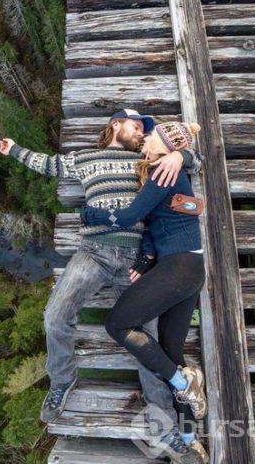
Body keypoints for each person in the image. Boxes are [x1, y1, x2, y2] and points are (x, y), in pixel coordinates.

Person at [0, 109, 203, 432]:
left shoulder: (148, 160)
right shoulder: (85, 158)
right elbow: (49, 164)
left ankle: (165, 415)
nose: (139, 134)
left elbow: (195, 160)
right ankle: (62, 381)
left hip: (134, 260)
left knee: (145, 337)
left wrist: (181, 155)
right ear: (115, 125)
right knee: (54, 315)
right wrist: (15, 150)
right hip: (93, 252)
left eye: (143, 131)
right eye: (135, 127)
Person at [79, 121, 208, 464]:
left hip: (179, 267)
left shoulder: (161, 173)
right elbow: (164, 219)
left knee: (118, 325)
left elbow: (129, 216)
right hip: (190, 268)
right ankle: (189, 438)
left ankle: (182, 382)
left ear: (163, 144)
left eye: (149, 135)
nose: (144, 138)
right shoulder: (168, 170)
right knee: (170, 351)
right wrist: (146, 255)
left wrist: (90, 213)